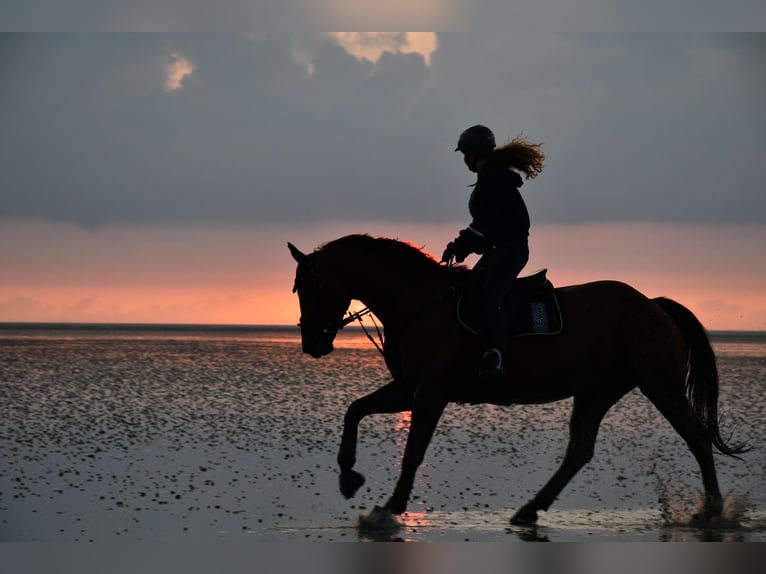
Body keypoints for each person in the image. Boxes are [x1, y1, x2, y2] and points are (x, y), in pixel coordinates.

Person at [441, 125, 545, 378]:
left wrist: (461, 245)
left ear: (472, 154)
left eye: (465, 154)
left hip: (509, 251)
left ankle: (496, 354)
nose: (464, 160)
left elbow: (487, 222)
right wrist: (464, 245)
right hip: (500, 250)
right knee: (468, 290)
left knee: (489, 299)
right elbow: (488, 225)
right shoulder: (492, 176)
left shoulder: (493, 179)